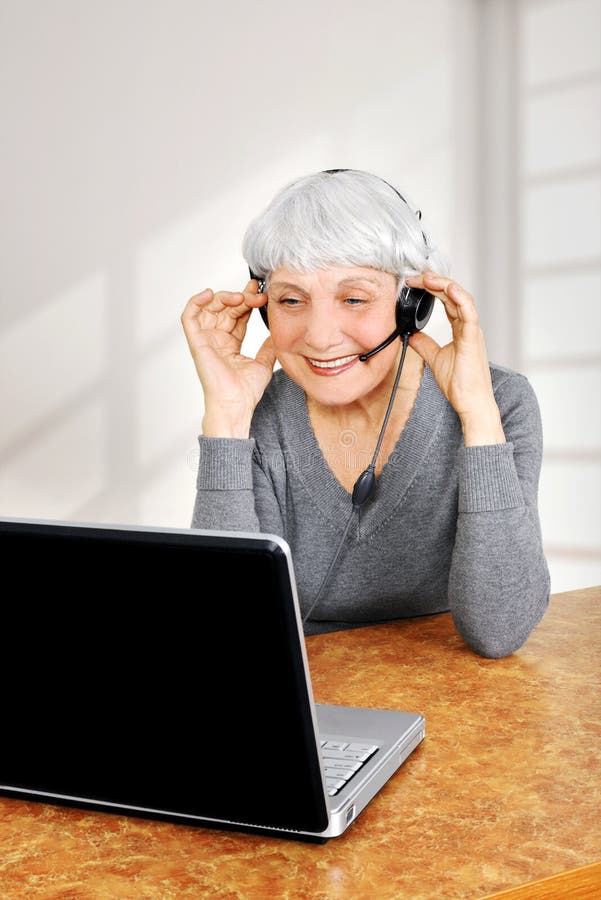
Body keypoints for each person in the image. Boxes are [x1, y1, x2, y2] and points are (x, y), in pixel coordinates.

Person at [181, 168, 550, 658]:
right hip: (312, 704)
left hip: (464, 698)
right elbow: (225, 637)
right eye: (292, 300)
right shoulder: (256, 418)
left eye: (353, 298)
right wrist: (227, 422)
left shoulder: (500, 402)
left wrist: (477, 415)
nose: (319, 335)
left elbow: (499, 630)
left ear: (411, 305)